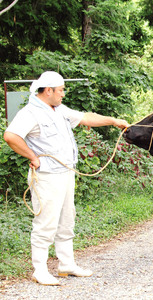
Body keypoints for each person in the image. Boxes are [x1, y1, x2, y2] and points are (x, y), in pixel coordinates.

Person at [3, 71, 129, 286]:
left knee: (66, 219)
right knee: (46, 223)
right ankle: (40, 270)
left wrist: (114, 121)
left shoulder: (58, 109)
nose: (63, 94)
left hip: (66, 173)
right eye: (61, 90)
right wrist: (32, 156)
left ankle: (66, 264)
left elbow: (85, 117)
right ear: (49, 90)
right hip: (46, 176)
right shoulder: (30, 112)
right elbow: (11, 136)